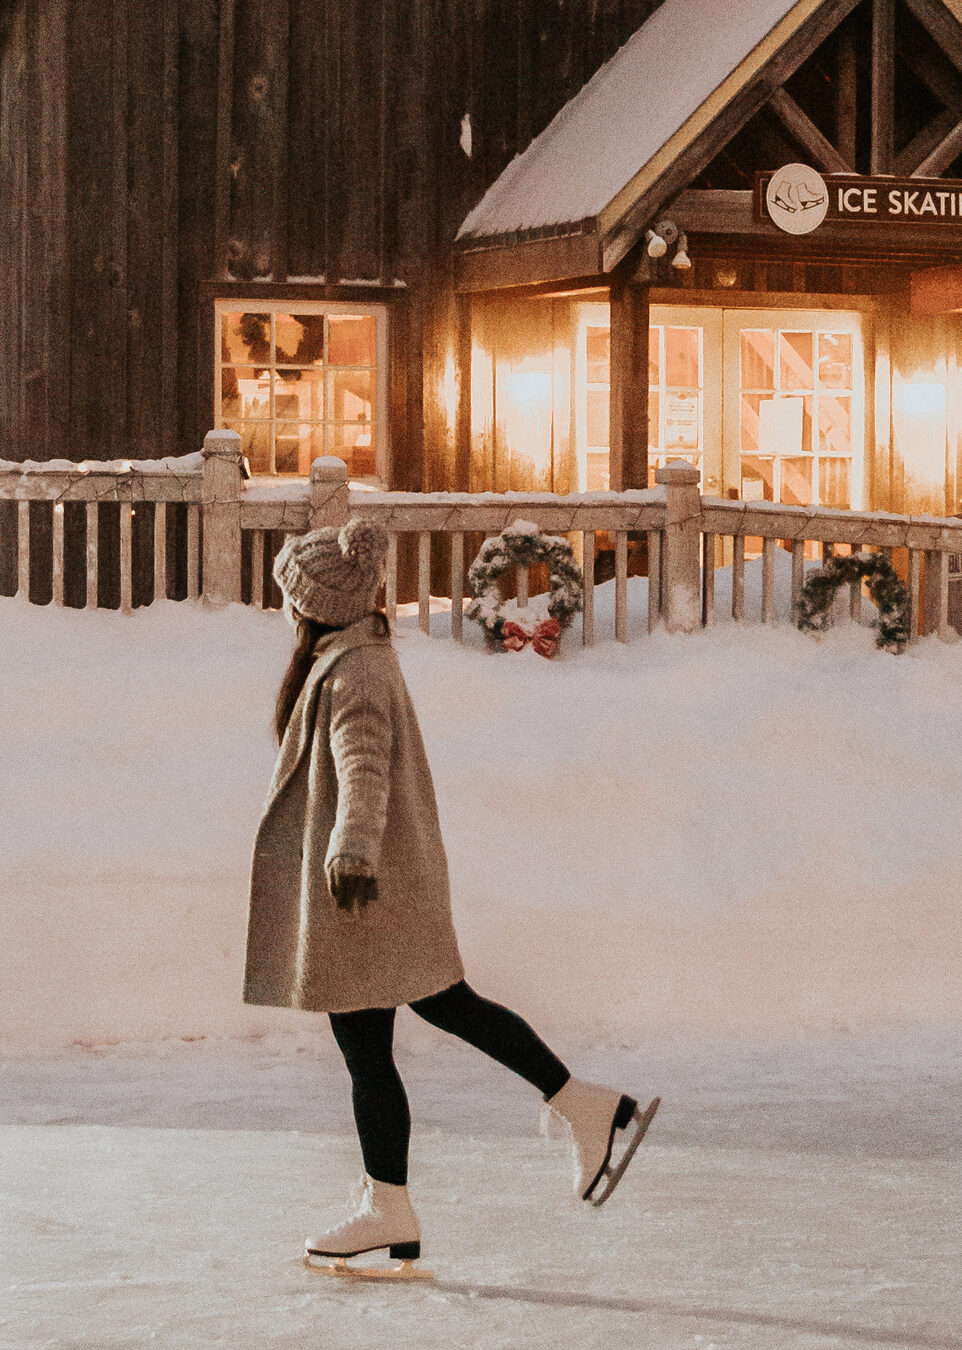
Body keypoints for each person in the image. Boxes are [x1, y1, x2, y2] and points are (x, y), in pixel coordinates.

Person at [246, 518, 658, 1279]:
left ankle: (395, 1204)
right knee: (436, 1010)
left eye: (291, 600)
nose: (287, 612)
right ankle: (574, 1109)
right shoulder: (353, 655)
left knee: (375, 1047)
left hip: (366, 887)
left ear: (316, 608)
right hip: (382, 884)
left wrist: (351, 846)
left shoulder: (355, 671)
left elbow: (362, 762)